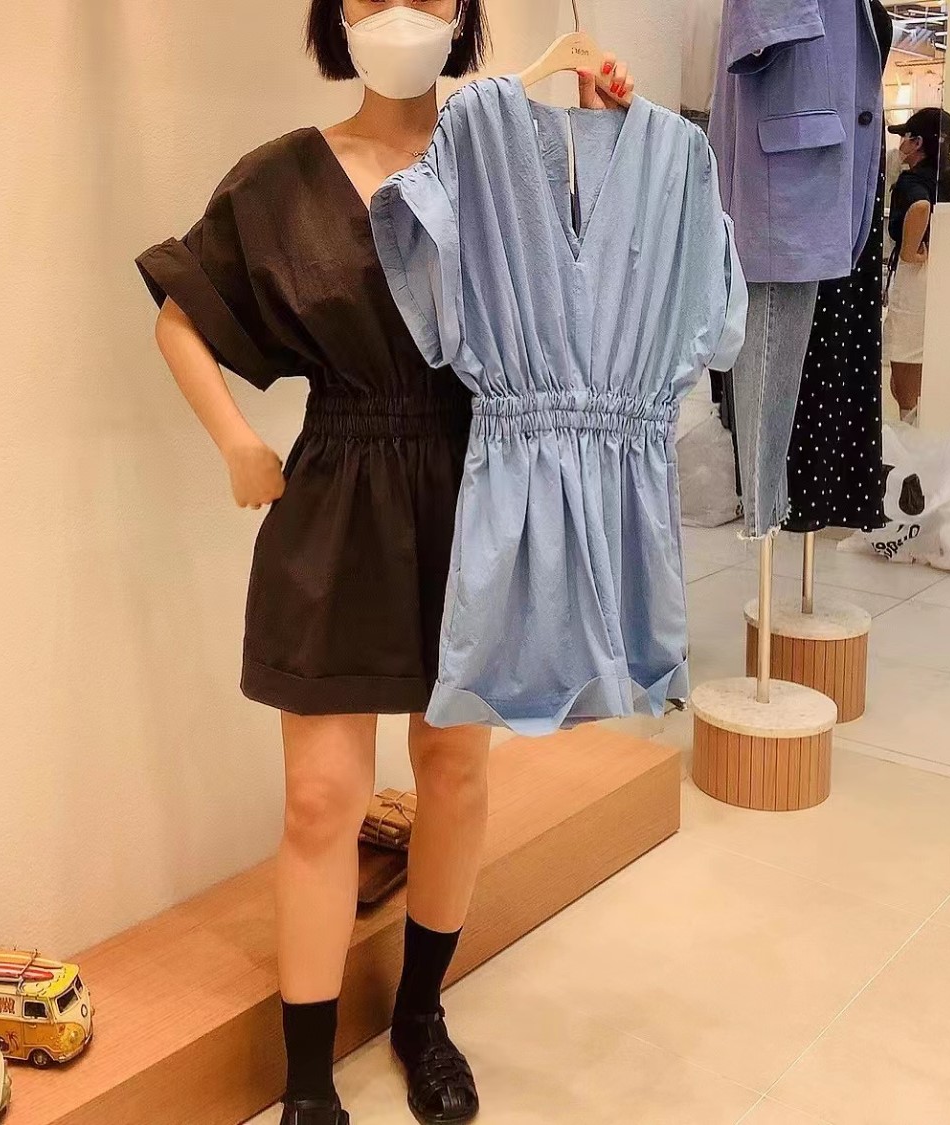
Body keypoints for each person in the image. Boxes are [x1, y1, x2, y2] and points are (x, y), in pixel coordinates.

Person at [136, 5, 632, 1123]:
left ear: (462, 12)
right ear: (334, 14)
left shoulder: (511, 164)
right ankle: (310, 1082)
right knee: (321, 799)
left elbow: (612, 295)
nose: (397, 7)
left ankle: (421, 1013)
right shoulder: (280, 180)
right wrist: (236, 442)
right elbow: (180, 317)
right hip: (339, 500)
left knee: (453, 770)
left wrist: (605, 138)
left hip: (479, 486)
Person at [883, 107, 950, 422]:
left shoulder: (911, 181)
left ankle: (910, 430)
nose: (901, 145)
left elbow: (920, 207)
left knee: (905, 365)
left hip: (915, 279)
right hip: (947, 279)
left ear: (917, 142)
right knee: (933, 360)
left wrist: (910, 251)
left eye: (905, 137)